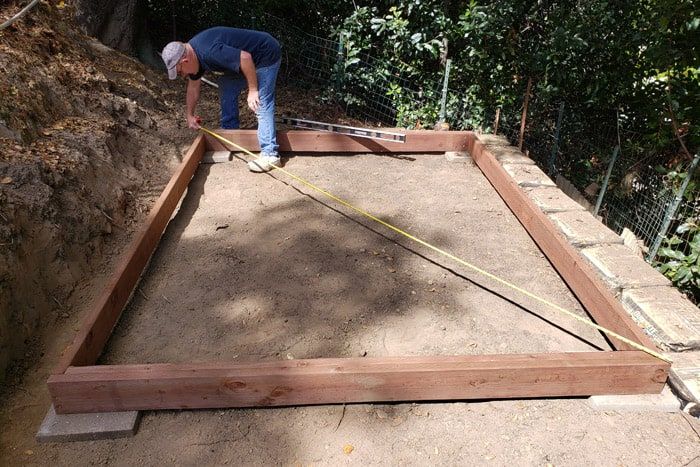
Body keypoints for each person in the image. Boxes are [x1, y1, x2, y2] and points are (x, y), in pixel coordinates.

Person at [161, 27, 282, 172]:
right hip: (248, 60)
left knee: (261, 101)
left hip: (265, 54)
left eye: (180, 72)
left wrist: (253, 90)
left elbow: (245, 58)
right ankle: (230, 133)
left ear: (185, 61)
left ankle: (270, 154)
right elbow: (193, 87)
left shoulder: (209, 51)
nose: (182, 75)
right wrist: (189, 115)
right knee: (226, 85)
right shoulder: (194, 57)